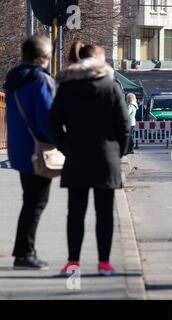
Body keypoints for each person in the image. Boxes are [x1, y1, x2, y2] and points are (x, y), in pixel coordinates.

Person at [48, 44, 130, 276]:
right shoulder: (111, 87)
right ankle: (104, 263)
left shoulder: (67, 87)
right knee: (104, 213)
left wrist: (65, 146)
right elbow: (124, 125)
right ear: (99, 61)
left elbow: (53, 121)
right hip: (106, 157)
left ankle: (73, 261)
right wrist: (118, 152)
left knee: (75, 212)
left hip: (76, 156)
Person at [3, 35, 55, 270]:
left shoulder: (15, 79)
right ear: (43, 57)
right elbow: (47, 119)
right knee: (36, 202)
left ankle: (24, 250)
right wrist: (60, 142)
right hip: (38, 150)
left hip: (20, 148)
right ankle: (25, 253)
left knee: (30, 200)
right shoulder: (39, 80)